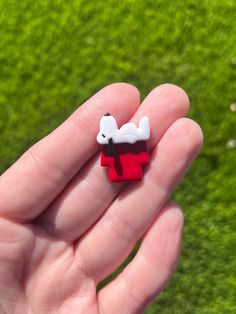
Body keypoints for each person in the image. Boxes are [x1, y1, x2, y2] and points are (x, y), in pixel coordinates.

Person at [0, 83, 203, 313]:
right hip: (127, 154)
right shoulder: (117, 146)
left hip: (129, 154)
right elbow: (111, 157)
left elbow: (114, 156)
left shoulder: (121, 146)